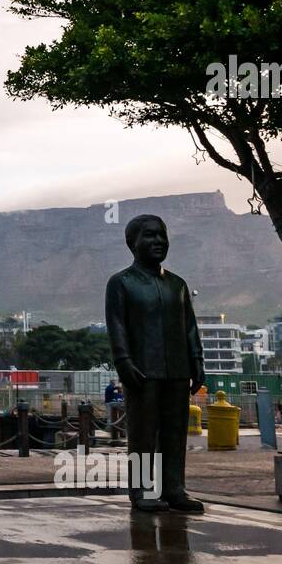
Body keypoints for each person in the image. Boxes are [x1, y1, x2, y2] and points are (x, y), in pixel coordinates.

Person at [104, 214, 205, 514]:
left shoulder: (178, 285)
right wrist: (123, 361)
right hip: (142, 371)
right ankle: (142, 490)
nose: (158, 241)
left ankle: (174, 488)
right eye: (150, 236)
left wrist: (196, 361)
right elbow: (117, 325)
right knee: (143, 433)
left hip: (177, 371)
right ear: (132, 243)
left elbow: (190, 327)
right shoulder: (121, 283)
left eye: (162, 235)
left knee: (175, 432)